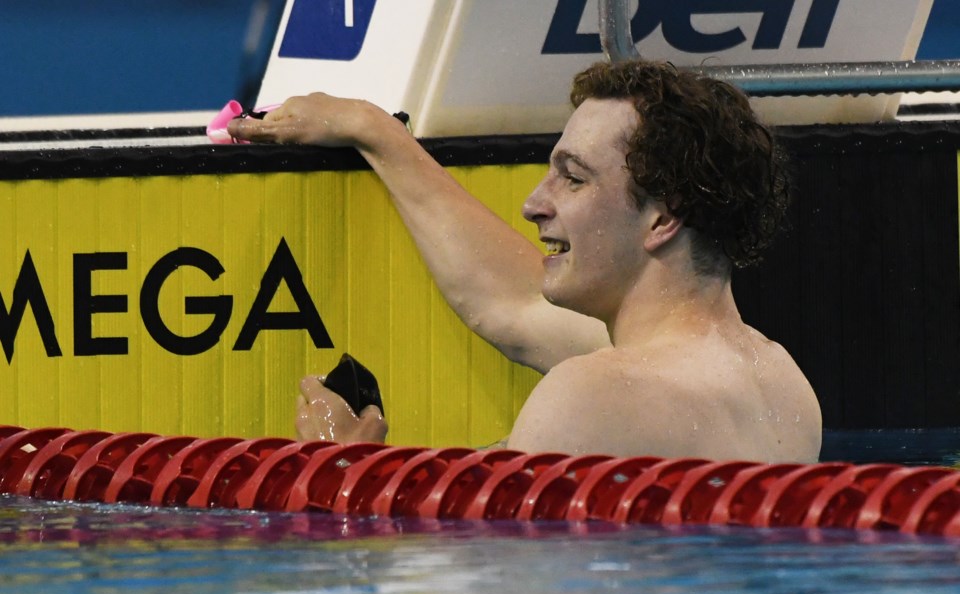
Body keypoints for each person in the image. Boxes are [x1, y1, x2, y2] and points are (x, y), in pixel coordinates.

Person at [228, 59, 822, 462]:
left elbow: (461, 589)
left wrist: (342, 475)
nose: (534, 203)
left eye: (573, 178)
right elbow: (507, 303)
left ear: (663, 219)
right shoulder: (782, 383)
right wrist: (376, 132)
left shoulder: (591, 395)